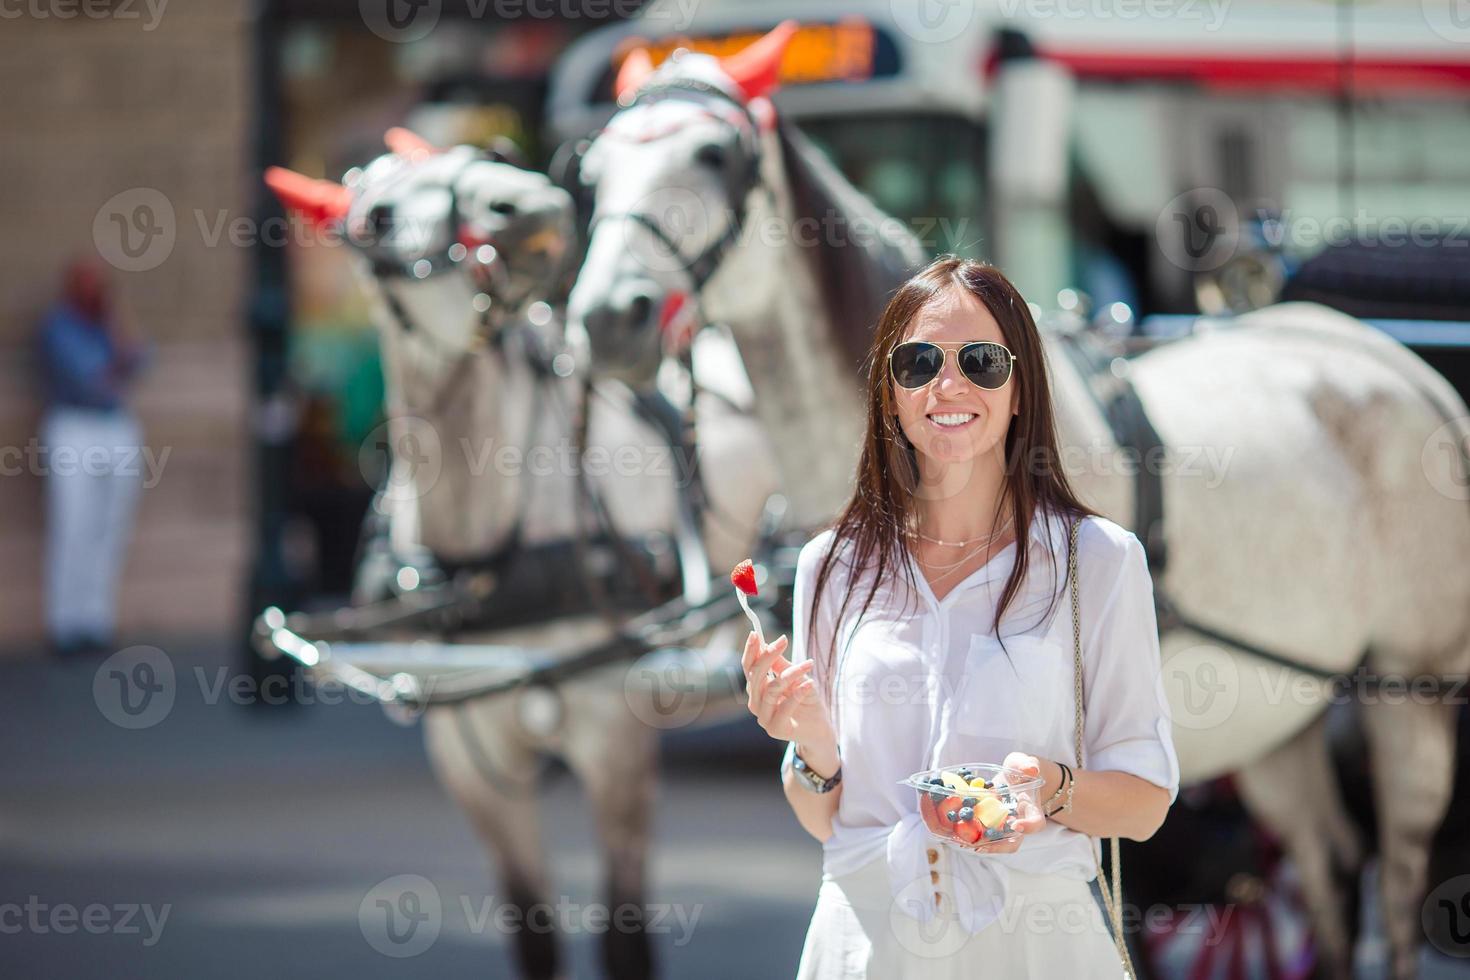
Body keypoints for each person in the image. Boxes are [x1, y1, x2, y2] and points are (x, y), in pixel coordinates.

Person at [741, 256, 1179, 978]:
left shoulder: (1097, 561)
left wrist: (1051, 786)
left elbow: (1145, 803)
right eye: (918, 363)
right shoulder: (830, 565)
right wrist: (810, 741)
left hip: (1038, 949)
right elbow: (827, 818)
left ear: (1018, 391)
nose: (949, 386)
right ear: (889, 392)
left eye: (980, 361)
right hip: (866, 950)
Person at [36, 257, 149, 657]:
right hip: (75, 428)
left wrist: (117, 323)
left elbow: (139, 359)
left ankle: (95, 618)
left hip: (114, 427)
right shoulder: (58, 326)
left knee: (110, 525)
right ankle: (64, 621)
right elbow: (90, 379)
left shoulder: (108, 323)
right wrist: (116, 366)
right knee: (74, 524)